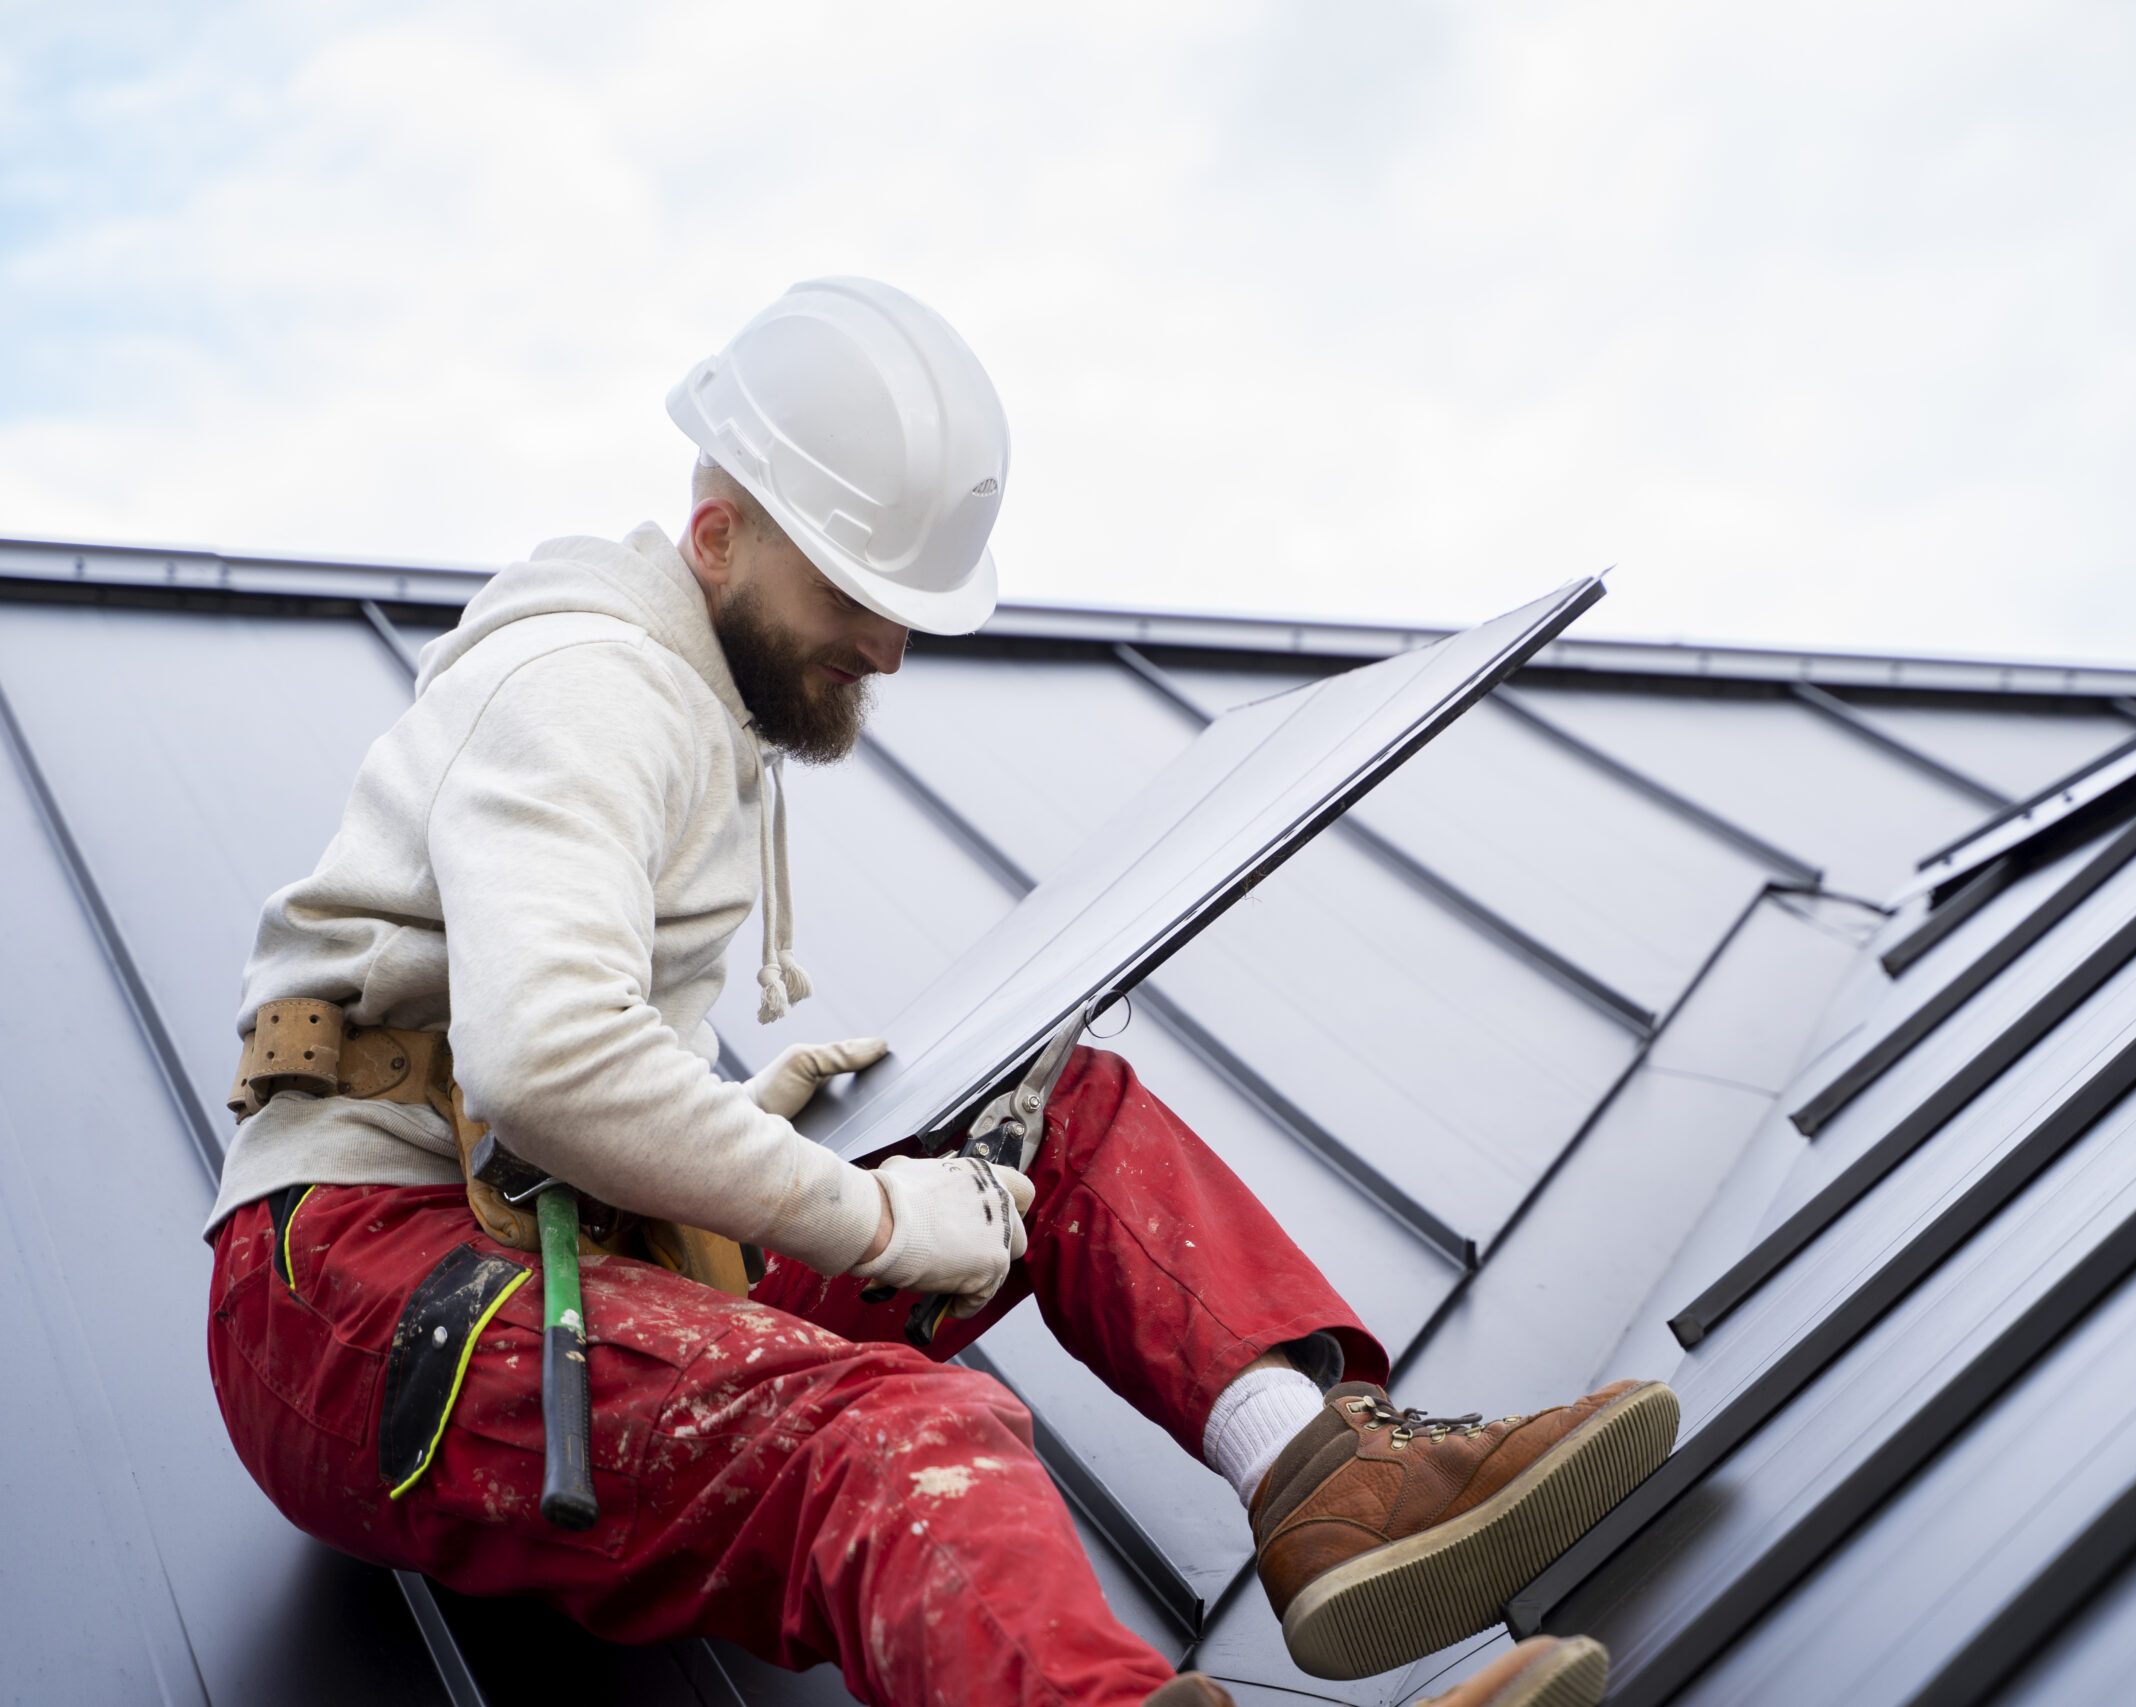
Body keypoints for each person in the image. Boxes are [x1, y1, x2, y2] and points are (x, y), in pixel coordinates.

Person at [203, 278, 1675, 1707]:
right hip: (358, 1302)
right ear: (717, 535)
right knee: (897, 1432)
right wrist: (867, 1211)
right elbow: (546, 1069)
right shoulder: (590, 688)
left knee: (1056, 1114)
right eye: (857, 591)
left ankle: (1321, 1474)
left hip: (529, 1254)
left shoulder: (686, 703)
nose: (891, 645)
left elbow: (535, 1068)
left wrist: (729, 1130)